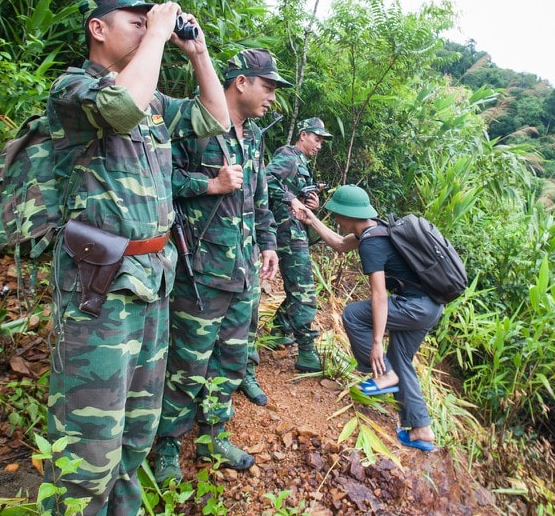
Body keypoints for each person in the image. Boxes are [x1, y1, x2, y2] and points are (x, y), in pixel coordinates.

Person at [45, 0, 229, 515]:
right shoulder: (74, 90)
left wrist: (197, 51)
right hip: (98, 286)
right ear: (97, 29)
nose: (148, 29)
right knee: (89, 437)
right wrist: (159, 32)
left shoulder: (152, 105)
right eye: (136, 20)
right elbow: (121, 106)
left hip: (152, 280)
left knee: (134, 431)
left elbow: (216, 119)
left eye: (150, 21)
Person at [151, 48, 288, 482]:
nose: (271, 97)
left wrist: (268, 245)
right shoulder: (192, 127)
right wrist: (208, 184)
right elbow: (155, 181)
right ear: (241, 82)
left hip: (243, 272)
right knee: (187, 363)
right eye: (267, 87)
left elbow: (259, 197)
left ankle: (212, 436)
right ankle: (168, 444)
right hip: (201, 272)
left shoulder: (255, 136)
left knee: (228, 361)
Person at [292, 185, 442, 452]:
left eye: (337, 214)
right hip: (431, 305)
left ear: (348, 214)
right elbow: (339, 244)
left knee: (354, 315)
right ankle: (422, 431)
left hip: (415, 306)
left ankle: (384, 376)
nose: (336, 220)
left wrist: (375, 344)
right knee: (400, 361)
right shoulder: (377, 229)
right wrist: (311, 219)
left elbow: (379, 297)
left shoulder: (372, 243)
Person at [263, 117, 334, 372]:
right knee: (304, 290)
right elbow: (266, 179)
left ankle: (280, 329)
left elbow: (296, 195)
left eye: (322, 141)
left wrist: (310, 204)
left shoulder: (302, 164)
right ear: (303, 135)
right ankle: (306, 352)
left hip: (294, 230)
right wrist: (292, 199)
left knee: (298, 287)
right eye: (316, 139)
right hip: (284, 231)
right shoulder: (288, 155)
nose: (319, 145)